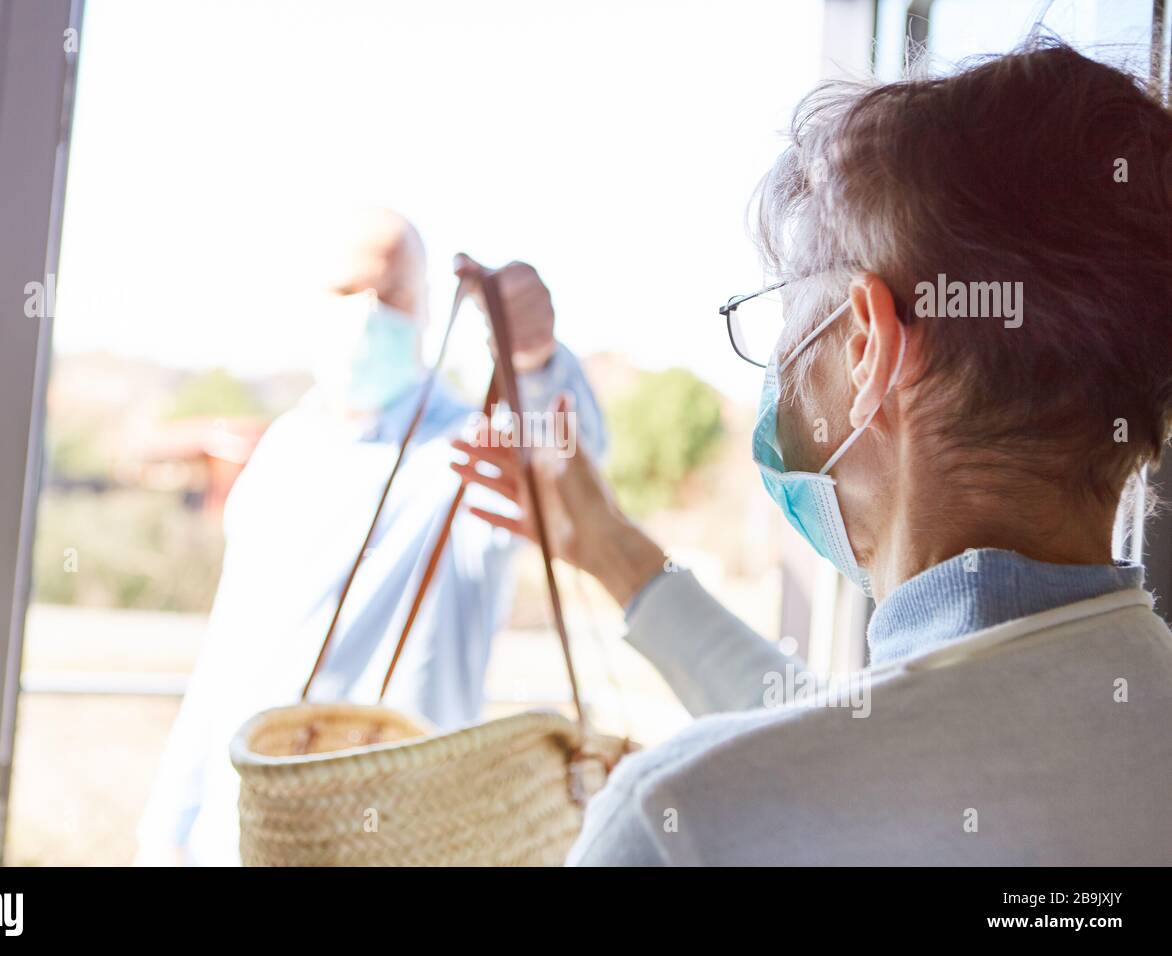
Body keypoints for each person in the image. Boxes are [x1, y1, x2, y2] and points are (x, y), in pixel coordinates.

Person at [452, 41, 1172, 865]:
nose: (782, 364)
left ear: (869, 346)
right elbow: (878, 727)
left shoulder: (680, 825)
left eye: (792, 316)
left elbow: (844, 756)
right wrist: (618, 555)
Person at [136, 209, 605, 866]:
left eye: (390, 295)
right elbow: (226, 659)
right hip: (241, 837)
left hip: (395, 842)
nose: (366, 314)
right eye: (346, 291)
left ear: (425, 311)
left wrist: (536, 360)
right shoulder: (282, 453)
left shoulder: (465, 451)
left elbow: (571, 474)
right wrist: (166, 832)